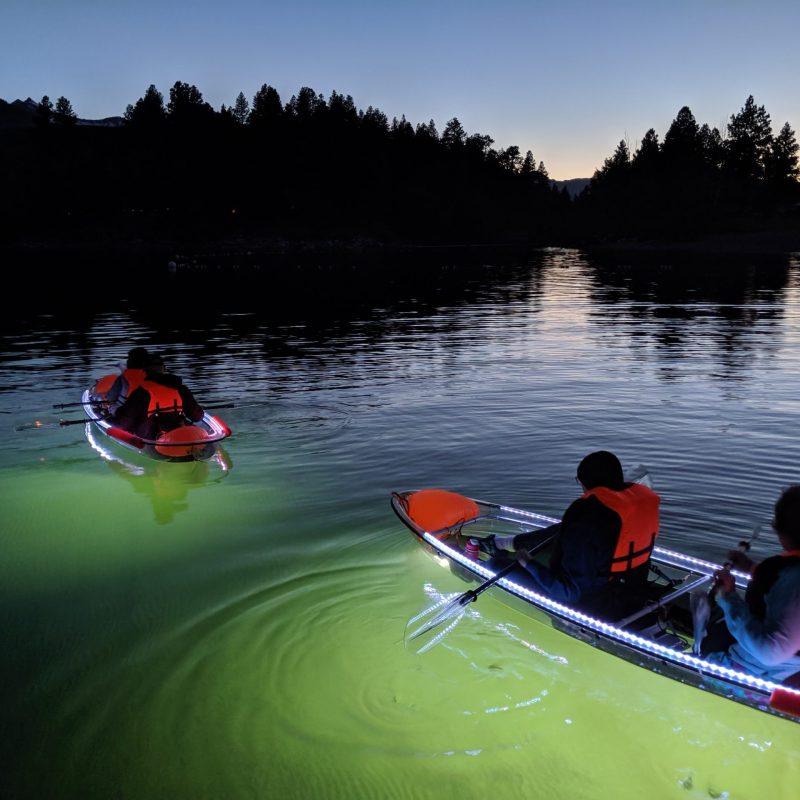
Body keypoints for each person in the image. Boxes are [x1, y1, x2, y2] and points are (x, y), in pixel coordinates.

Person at [483, 450, 660, 620]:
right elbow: (564, 532)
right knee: (560, 533)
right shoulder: (628, 508)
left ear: (584, 483)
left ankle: (488, 558)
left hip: (592, 606)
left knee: (495, 565)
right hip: (633, 592)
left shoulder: (588, 518)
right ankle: (505, 543)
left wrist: (527, 563)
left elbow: (571, 592)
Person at [704, 485, 800, 683]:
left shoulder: (795, 581)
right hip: (787, 663)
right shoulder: (788, 575)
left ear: (781, 534)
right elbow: (781, 582)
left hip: (767, 673)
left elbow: (771, 654)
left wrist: (728, 597)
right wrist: (750, 568)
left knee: (708, 636)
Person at [109, 354, 203, 440]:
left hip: (152, 438)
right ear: (164, 368)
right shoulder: (181, 389)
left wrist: (111, 414)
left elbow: (124, 423)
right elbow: (197, 417)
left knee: (121, 422)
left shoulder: (141, 392)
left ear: (144, 371)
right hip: (180, 433)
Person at [104, 347, 150, 413]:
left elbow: (110, 398)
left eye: (129, 359)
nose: (127, 361)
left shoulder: (122, 379)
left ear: (132, 362)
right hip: (147, 412)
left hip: (123, 412)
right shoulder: (152, 376)